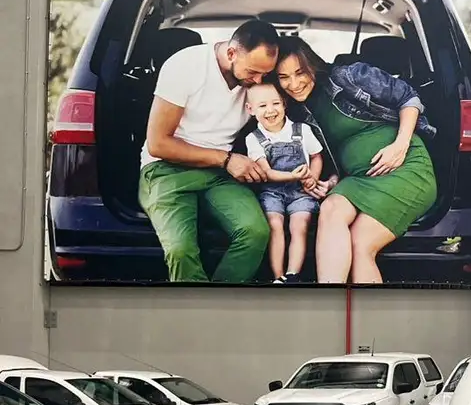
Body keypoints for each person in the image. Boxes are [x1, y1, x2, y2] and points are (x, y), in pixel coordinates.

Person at [271, 37, 438, 284]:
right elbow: (330, 154)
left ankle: (362, 310)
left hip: (404, 167)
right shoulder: (296, 111)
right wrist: (331, 181)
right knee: (331, 208)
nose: (294, 84)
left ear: (312, 65)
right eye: (284, 77)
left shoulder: (349, 76)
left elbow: (409, 97)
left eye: (300, 72)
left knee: (361, 245)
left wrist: (400, 145)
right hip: (358, 178)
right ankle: (330, 296)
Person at [139, 19, 282, 283]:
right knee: (181, 251)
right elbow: (158, 144)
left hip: (218, 174)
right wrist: (227, 160)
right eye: (252, 71)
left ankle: (220, 302)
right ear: (232, 53)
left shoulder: (257, 79)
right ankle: (196, 309)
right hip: (166, 170)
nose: (258, 80)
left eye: (265, 74)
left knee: (256, 233)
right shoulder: (186, 65)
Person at [243, 83, 327, 284]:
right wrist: (293, 176)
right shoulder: (254, 138)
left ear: (284, 104)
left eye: (276, 103)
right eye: (262, 106)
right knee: (275, 224)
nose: (270, 110)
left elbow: (316, 156)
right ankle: (277, 276)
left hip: (301, 191)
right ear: (250, 109)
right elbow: (266, 173)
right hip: (272, 191)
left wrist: (313, 177)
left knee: (299, 225)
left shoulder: (301, 129)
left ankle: (292, 274)